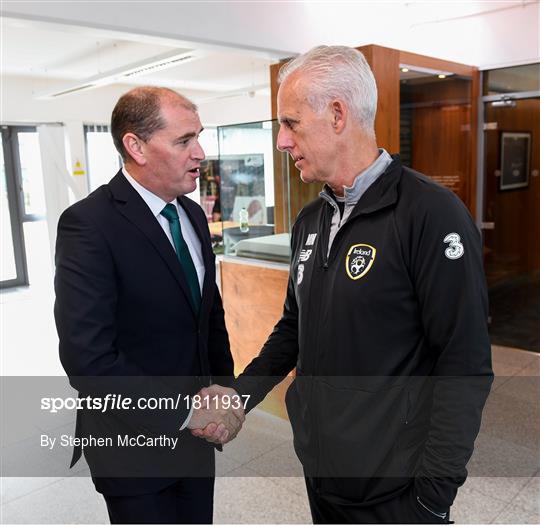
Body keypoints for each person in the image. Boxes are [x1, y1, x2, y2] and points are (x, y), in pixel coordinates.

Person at [195, 46, 493, 524]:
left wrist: (433, 497)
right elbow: (294, 329)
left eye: (291, 123)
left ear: (338, 114)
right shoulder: (312, 220)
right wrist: (241, 395)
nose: (282, 142)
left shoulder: (430, 214)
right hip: (323, 472)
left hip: (397, 492)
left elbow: (465, 364)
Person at [54, 86, 243, 524]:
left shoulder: (192, 215)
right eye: (183, 141)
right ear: (135, 146)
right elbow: (88, 359)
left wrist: (225, 395)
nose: (200, 153)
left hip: (197, 440)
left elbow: (207, 318)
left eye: (199, 136)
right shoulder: (89, 224)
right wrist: (187, 411)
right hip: (133, 448)